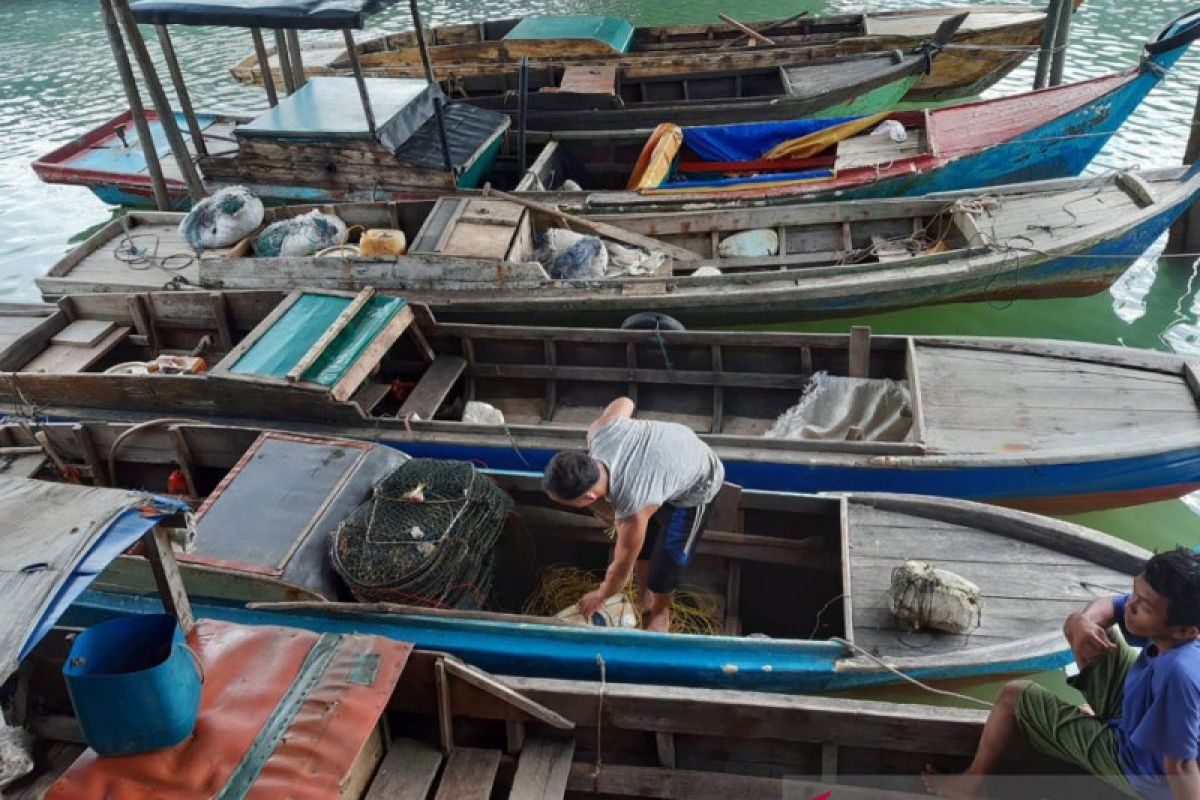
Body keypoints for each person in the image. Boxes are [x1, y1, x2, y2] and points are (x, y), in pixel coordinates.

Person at [922, 547, 1200, 800]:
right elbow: (1111, 606)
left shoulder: (1180, 673)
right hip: (1138, 723)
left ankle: (971, 785)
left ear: (1185, 631)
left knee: (1015, 697)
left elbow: (1181, 766)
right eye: (1134, 592)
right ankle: (1106, 719)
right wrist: (1082, 622)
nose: (1130, 606)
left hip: (1138, 769)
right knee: (1096, 633)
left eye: (1144, 607)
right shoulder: (1178, 629)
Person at [540, 396, 725, 633]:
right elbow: (625, 402)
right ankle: (644, 596)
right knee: (643, 546)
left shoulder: (633, 509)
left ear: (588, 498)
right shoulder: (600, 430)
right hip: (669, 458)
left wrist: (600, 595)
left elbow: (620, 572)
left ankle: (660, 612)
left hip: (697, 482)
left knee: (667, 562)